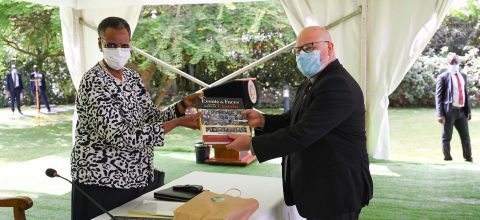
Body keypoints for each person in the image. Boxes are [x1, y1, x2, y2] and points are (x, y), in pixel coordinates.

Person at [226, 26, 373, 219]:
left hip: (337, 191)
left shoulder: (337, 85)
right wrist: (262, 120)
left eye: (309, 48)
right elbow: (292, 120)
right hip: (321, 187)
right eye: (298, 50)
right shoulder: (313, 82)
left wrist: (252, 145)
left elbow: (302, 133)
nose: (301, 54)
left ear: (329, 48)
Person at [71, 17, 202, 220]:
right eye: (112, 45)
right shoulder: (94, 82)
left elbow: (150, 118)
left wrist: (183, 106)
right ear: (100, 43)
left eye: (124, 45)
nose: (119, 50)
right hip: (103, 180)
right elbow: (120, 137)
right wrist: (177, 123)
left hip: (137, 177)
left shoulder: (131, 77)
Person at [435, 53, 472, 162]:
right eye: (452, 63)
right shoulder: (443, 77)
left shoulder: (463, 76)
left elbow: (465, 94)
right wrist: (440, 114)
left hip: (461, 112)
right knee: (446, 137)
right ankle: (447, 158)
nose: (454, 65)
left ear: (459, 63)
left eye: (456, 63)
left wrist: (468, 111)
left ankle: (468, 158)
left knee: (466, 137)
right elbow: (438, 97)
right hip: (448, 112)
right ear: (448, 64)